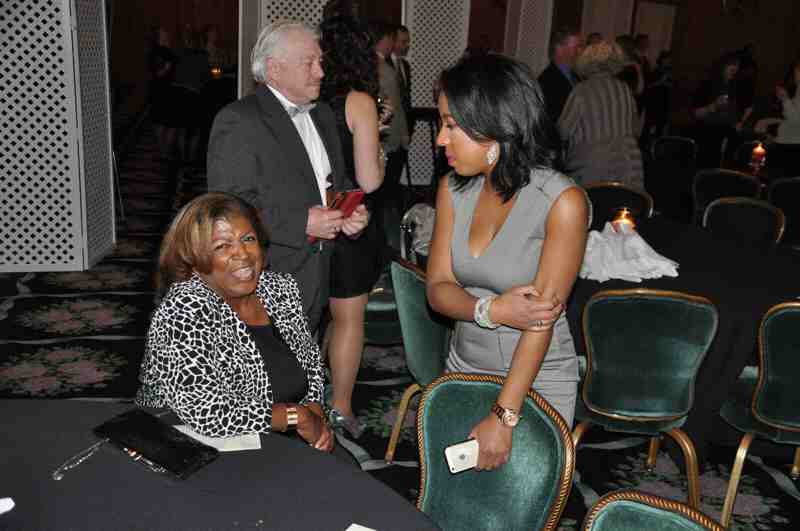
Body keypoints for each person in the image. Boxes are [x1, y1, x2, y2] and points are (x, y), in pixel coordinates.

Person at [427, 54, 590, 471]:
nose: (440, 140)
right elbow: (438, 289)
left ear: (494, 126)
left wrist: (504, 415)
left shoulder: (562, 201)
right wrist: (490, 310)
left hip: (533, 381)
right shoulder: (453, 190)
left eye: (451, 125)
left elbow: (540, 321)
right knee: (456, 495)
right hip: (463, 366)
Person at [136, 193, 335, 453]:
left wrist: (315, 411)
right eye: (222, 246)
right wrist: (296, 416)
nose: (242, 253)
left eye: (248, 239)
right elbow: (207, 412)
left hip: (278, 438)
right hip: (189, 445)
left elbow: (310, 363)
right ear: (193, 260)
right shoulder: (183, 310)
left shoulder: (279, 288)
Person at [207, 20, 369, 334]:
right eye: (309, 63)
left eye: (320, 61)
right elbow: (227, 210)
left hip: (318, 272)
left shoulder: (322, 114)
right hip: (266, 278)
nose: (320, 72)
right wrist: (302, 223)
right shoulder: (239, 120)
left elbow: (336, 183)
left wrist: (351, 212)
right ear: (274, 69)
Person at [319, 15, 387, 438]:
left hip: (311, 216)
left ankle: (317, 386)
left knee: (320, 312)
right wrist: (378, 144)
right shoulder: (359, 101)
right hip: (348, 218)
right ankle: (341, 406)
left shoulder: (308, 97)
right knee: (348, 319)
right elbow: (370, 180)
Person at [558, 42, 645, 191]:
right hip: (629, 168)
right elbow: (636, 130)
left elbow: (563, 131)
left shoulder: (581, 90)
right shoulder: (624, 89)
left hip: (593, 169)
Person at [371, 20, 409, 248]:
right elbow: (395, 108)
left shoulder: (370, 65)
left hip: (379, 135)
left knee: (381, 194)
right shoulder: (382, 69)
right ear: (385, 39)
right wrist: (403, 135)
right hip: (388, 137)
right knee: (385, 194)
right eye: (393, 39)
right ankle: (386, 243)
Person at [691, 52, 746, 168]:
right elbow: (696, 113)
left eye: (737, 66)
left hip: (728, 136)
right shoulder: (707, 84)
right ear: (723, 66)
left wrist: (738, 122)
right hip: (708, 134)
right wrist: (714, 106)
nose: (735, 69)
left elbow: (735, 113)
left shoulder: (734, 86)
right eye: (732, 65)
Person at [537, 27, 584, 124]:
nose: (580, 52)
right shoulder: (547, 81)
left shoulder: (577, 77)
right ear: (559, 49)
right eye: (576, 47)